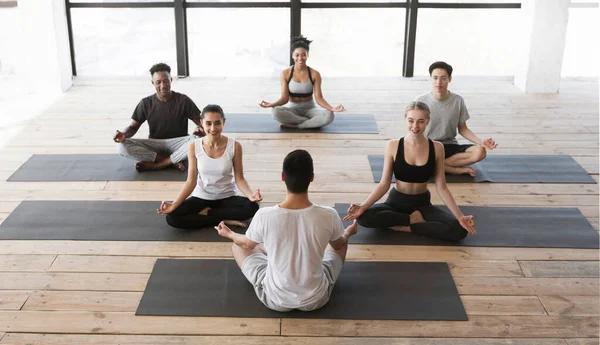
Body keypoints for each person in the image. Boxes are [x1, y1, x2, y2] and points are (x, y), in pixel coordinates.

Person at [215, 149, 358, 312]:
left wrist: (229, 234)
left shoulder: (264, 215)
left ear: (283, 177)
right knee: (341, 241)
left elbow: (246, 245)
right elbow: (339, 245)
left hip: (276, 300)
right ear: (312, 177)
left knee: (238, 245)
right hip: (316, 299)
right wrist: (348, 232)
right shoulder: (328, 214)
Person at [344, 101, 476, 242]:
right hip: (396, 202)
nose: (415, 126)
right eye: (411, 121)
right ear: (405, 119)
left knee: (459, 230)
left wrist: (460, 216)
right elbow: (384, 184)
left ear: (427, 122)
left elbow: (442, 187)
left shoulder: (437, 148)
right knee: (364, 217)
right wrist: (363, 206)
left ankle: (403, 227)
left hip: (422, 204)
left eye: (420, 121)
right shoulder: (393, 145)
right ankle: (411, 220)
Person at [157, 104, 261, 229]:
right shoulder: (193, 147)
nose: (213, 128)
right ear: (201, 123)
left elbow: (239, 178)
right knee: (172, 217)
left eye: (217, 123)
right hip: (201, 197)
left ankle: (208, 214)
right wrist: (174, 204)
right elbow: (191, 181)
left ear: (224, 122)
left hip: (227, 197)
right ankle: (221, 219)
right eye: (208, 123)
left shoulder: (235, 146)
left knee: (253, 207)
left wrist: (250, 195)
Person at [113, 62, 204, 172]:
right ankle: (170, 161)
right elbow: (132, 127)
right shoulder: (146, 103)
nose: (163, 85)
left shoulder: (183, 100)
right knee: (121, 147)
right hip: (155, 145)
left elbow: (201, 123)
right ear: (153, 83)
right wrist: (123, 134)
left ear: (171, 80)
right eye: (158, 82)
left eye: (166, 81)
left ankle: (159, 165)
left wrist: (201, 131)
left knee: (199, 140)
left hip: (178, 144)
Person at [415, 61, 498, 176]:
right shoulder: (420, 101)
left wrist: (481, 142)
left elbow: (463, 129)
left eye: (443, 78)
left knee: (480, 152)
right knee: (415, 157)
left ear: (449, 79)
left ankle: (437, 167)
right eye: (435, 78)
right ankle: (453, 168)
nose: (438, 82)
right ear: (430, 79)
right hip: (428, 146)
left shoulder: (458, 101)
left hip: (450, 146)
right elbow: (414, 129)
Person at [259, 35, 345, 129]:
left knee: (329, 115)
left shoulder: (315, 74)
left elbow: (319, 98)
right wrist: (272, 104)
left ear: (307, 55)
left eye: (303, 55)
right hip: (292, 110)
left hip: (310, 109)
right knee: (275, 112)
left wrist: (331, 108)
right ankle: (308, 122)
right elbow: (284, 98)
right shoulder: (285, 73)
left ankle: (298, 126)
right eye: (297, 55)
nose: (300, 58)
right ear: (292, 56)